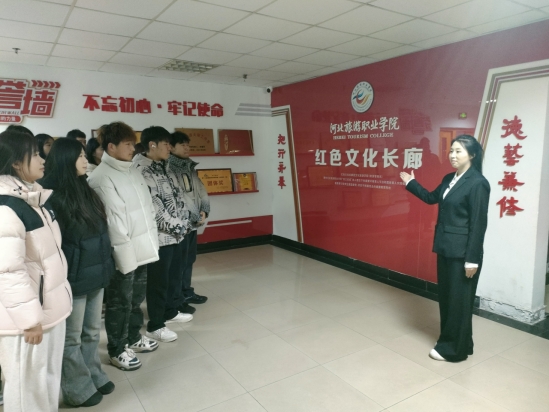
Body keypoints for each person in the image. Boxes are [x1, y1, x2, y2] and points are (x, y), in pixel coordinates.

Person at [400, 134, 490, 363]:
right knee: (449, 299)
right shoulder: (450, 178)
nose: (452, 155)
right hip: (445, 247)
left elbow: (478, 224)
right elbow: (432, 198)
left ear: (472, 155)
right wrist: (411, 183)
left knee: (458, 302)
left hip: (463, 254)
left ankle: (452, 350)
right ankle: (463, 344)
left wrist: (472, 259)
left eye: (458, 151)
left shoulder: (478, 183)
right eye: (451, 151)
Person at [0, 130, 72, 411]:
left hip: (47, 309)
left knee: (45, 381)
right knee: (26, 388)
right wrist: (30, 320)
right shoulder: (6, 207)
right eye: (36, 154)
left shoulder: (32, 198)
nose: (43, 159)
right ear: (17, 163)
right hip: (25, 320)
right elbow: (8, 271)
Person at [40, 138, 115, 407]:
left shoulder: (85, 187)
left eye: (85, 155)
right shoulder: (49, 194)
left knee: (92, 331)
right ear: (65, 159)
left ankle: (93, 373)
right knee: (71, 337)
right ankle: (77, 387)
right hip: (73, 276)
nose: (86, 160)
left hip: (96, 270)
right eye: (80, 156)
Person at [88, 122, 160, 371]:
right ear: (111, 146)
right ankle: (117, 349)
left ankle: (133, 337)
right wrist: (126, 259)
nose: (133, 148)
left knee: (136, 299)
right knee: (120, 302)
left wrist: (151, 244)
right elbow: (114, 225)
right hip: (122, 254)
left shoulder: (132, 171)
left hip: (141, 248)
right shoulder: (101, 178)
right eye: (128, 144)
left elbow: (147, 211)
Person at [133, 126, 192, 343]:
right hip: (158, 237)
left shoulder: (164, 165)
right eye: (166, 144)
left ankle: (170, 311)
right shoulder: (141, 170)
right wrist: (179, 226)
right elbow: (154, 208)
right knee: (157, 282)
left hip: (176, 235)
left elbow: (178, 197)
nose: (170, 148)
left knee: (173, 276)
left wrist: (184, 223)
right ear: (152, 145)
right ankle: (155, 325)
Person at [169, 131, 210, 313]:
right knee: (179, 262)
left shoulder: (189, 166)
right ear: (171, 147)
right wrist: (195, 215)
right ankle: (177, 296)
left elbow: (201, 190)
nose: (187, 148)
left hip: (192, 223)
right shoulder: (169, 167)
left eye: (188, 144)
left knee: (189, 259)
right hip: (179, 224)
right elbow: (180, 195)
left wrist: (204, 210)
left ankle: (186, 291)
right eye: (182, 145)